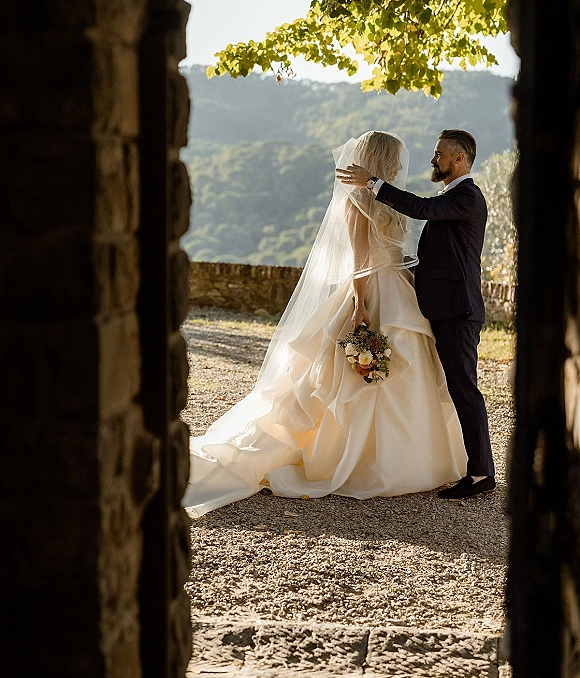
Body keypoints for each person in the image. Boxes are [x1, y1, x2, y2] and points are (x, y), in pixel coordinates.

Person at [182, 131, 467, 518]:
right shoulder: (356, 203)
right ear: (383, 161)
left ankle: (403, 458)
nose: (401, 167)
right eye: (396, 160)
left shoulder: (386, 199)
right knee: (347, 380)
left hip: (400, 291)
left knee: (398, 374)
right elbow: (360, 258)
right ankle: (362, 462)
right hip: (372, 293)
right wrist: (359, 306)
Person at [337, 129, 495, 500]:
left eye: (439, 154)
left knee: (464, 389)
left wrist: (373, 183)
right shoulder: (453, 195)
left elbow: (423, 210)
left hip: (458, 310)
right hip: (435, 306)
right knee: (455, 385)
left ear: (460, 159)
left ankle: (481, 474)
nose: (432, 160)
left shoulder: (467, 197)